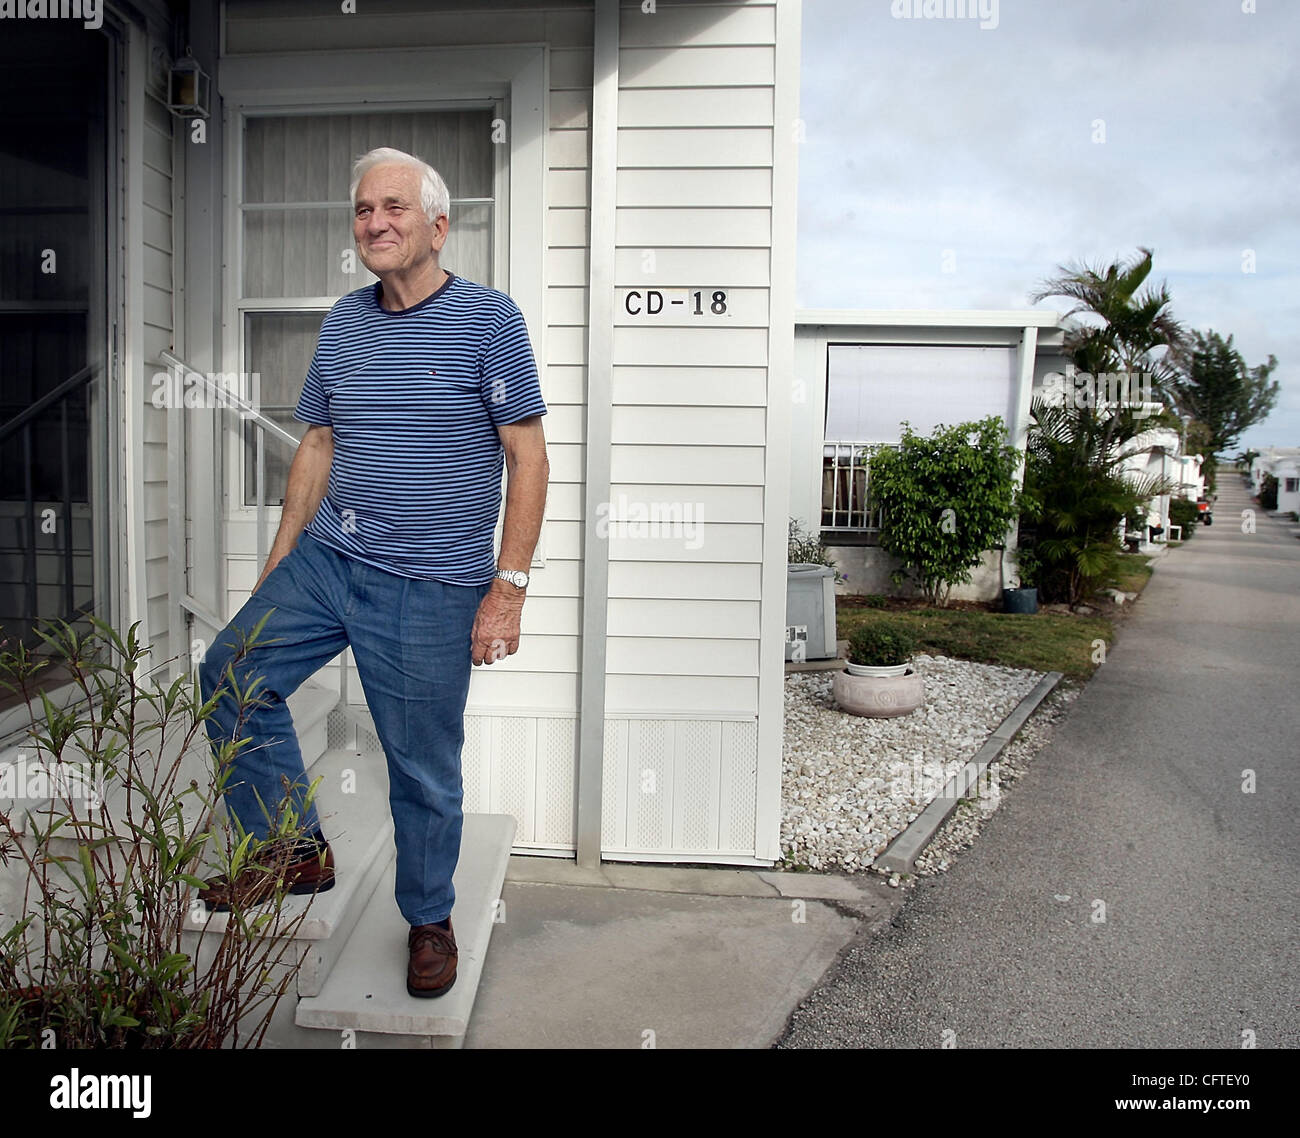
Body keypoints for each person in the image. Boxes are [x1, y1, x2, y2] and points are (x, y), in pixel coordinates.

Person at [197, 146, 549, 999]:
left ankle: (429, 918)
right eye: (362, 210)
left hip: (432, 585)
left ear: (437, 225)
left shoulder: (487, 320)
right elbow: (317, 441)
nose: (375, 223)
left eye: (393, 207)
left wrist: (509, 589)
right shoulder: (346, 323)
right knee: (232, 674)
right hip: (328, 561)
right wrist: (281, 556)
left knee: (421, 764)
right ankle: (292, 851)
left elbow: (526, 457)